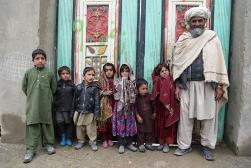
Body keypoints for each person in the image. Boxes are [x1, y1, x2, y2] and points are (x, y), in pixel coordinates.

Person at [172, 7, 229, 161]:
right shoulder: (183, 39)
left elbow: (218, 62)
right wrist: (177, 85)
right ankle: (184, 145)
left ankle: (207, 147)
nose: (197, 23)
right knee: (185, 117)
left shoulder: (212, 38)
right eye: (194, 21)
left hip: (208, 85)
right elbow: (178, 64)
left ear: (205, 22)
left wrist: (219, 86)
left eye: (200, 21)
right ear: (189, 23)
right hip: (187, 85)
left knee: (209, 117)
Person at [22, 49, 57, 163]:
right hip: (32, 104)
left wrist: (47, 97)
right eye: (37, 59)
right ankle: (30, 149)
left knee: (47, 123)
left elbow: (54, 88)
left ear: (45, 60)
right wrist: (33, 97)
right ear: (33, 61)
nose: (40, 60)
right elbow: (24, 88)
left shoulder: (49, 73)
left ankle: (49, 144)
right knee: (32, 124)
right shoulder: (28, 73)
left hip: (46, 104)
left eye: (42, 58)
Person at [151, 63, 180, 153]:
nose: (164, 72)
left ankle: (167, 144)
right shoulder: (157, 81)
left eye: (166, 70)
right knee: (161, 126)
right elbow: (155, 93)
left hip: (170, 108)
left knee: (168, 127)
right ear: (159, 73)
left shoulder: (172, 80)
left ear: (169, 71)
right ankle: (161, 143)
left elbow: (175, 93)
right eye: (162, 71)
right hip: (160, 108)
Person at [112, 64, 138, 154]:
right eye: (122, 71)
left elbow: (135, 94)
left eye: (127, 71)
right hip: (119, 107)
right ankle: (121, 144)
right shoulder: (117, 81)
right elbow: (115, 95)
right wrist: (121, 84)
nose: (125, 73)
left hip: (129, 107)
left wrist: (129, 85)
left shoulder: (133, 81)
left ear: (130, 72)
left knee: (129, 124)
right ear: (120, 72)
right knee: (121, 124)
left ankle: (129, 143)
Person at [73, 67, 100, 151]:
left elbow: (97, 101)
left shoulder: (95, 88)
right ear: (83, 76)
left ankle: (92, 142)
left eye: (93, 75)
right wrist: (73, 111)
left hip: (90, 111)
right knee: (79, 127)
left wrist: (96, 113)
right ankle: (81, 141)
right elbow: (74, 99)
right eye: (89, 74)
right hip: (79, 110)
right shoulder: (78, 87)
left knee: (91, 128)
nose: (91, 77)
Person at [54, 66, 75, 146]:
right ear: (60, 75)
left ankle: (69, 138)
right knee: (60, 123)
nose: (65, 75)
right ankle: (63, 137)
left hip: (68, 108)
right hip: (59, 108)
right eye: (63, 74)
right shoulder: (57, 85)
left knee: (68, 123)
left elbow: (75, 97)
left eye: (67, 73)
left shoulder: (72, 85)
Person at [98, 63, 116, 148]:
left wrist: (114, 93)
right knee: (104, 122)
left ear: (114, 71)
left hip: (114, 103)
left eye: (111, 70)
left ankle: (110, 138)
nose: (109, 72)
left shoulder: (116, 81)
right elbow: (96, 92)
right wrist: (104, 92)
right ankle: (104, 139)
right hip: (104, 104)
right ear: (104, 72)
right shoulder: (100, 81)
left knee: (111, 122)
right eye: (106, 70)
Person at [135, 78, 155, 152]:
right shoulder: (136, 98)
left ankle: (148, 143)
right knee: (140, 131)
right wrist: (137, 116)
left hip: (149, 118)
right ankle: (140, 144)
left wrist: (154, 112)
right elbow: (135, 108)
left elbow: (153, 105)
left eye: (146, 88)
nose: (145, 90)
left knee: (149, 130)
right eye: (142, 89)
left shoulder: (149, 96)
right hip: (141, 118)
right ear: (137, 89)